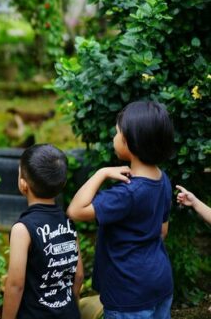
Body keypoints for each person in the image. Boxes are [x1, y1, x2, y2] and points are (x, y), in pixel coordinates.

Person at [67, 100, 174, 318]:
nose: (114, 138)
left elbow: (75, 210)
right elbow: (162, 232)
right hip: (160, 281)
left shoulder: (126, 193)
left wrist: (101, 173)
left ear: (128, 142)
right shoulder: (162, 179)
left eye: (117, 133)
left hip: (128, 293)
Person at [2, 144, 83, 319]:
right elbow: (79, 275)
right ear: (63, 184)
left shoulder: (22, 229)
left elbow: (15, 285)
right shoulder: (68, 221)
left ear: (23, 184)